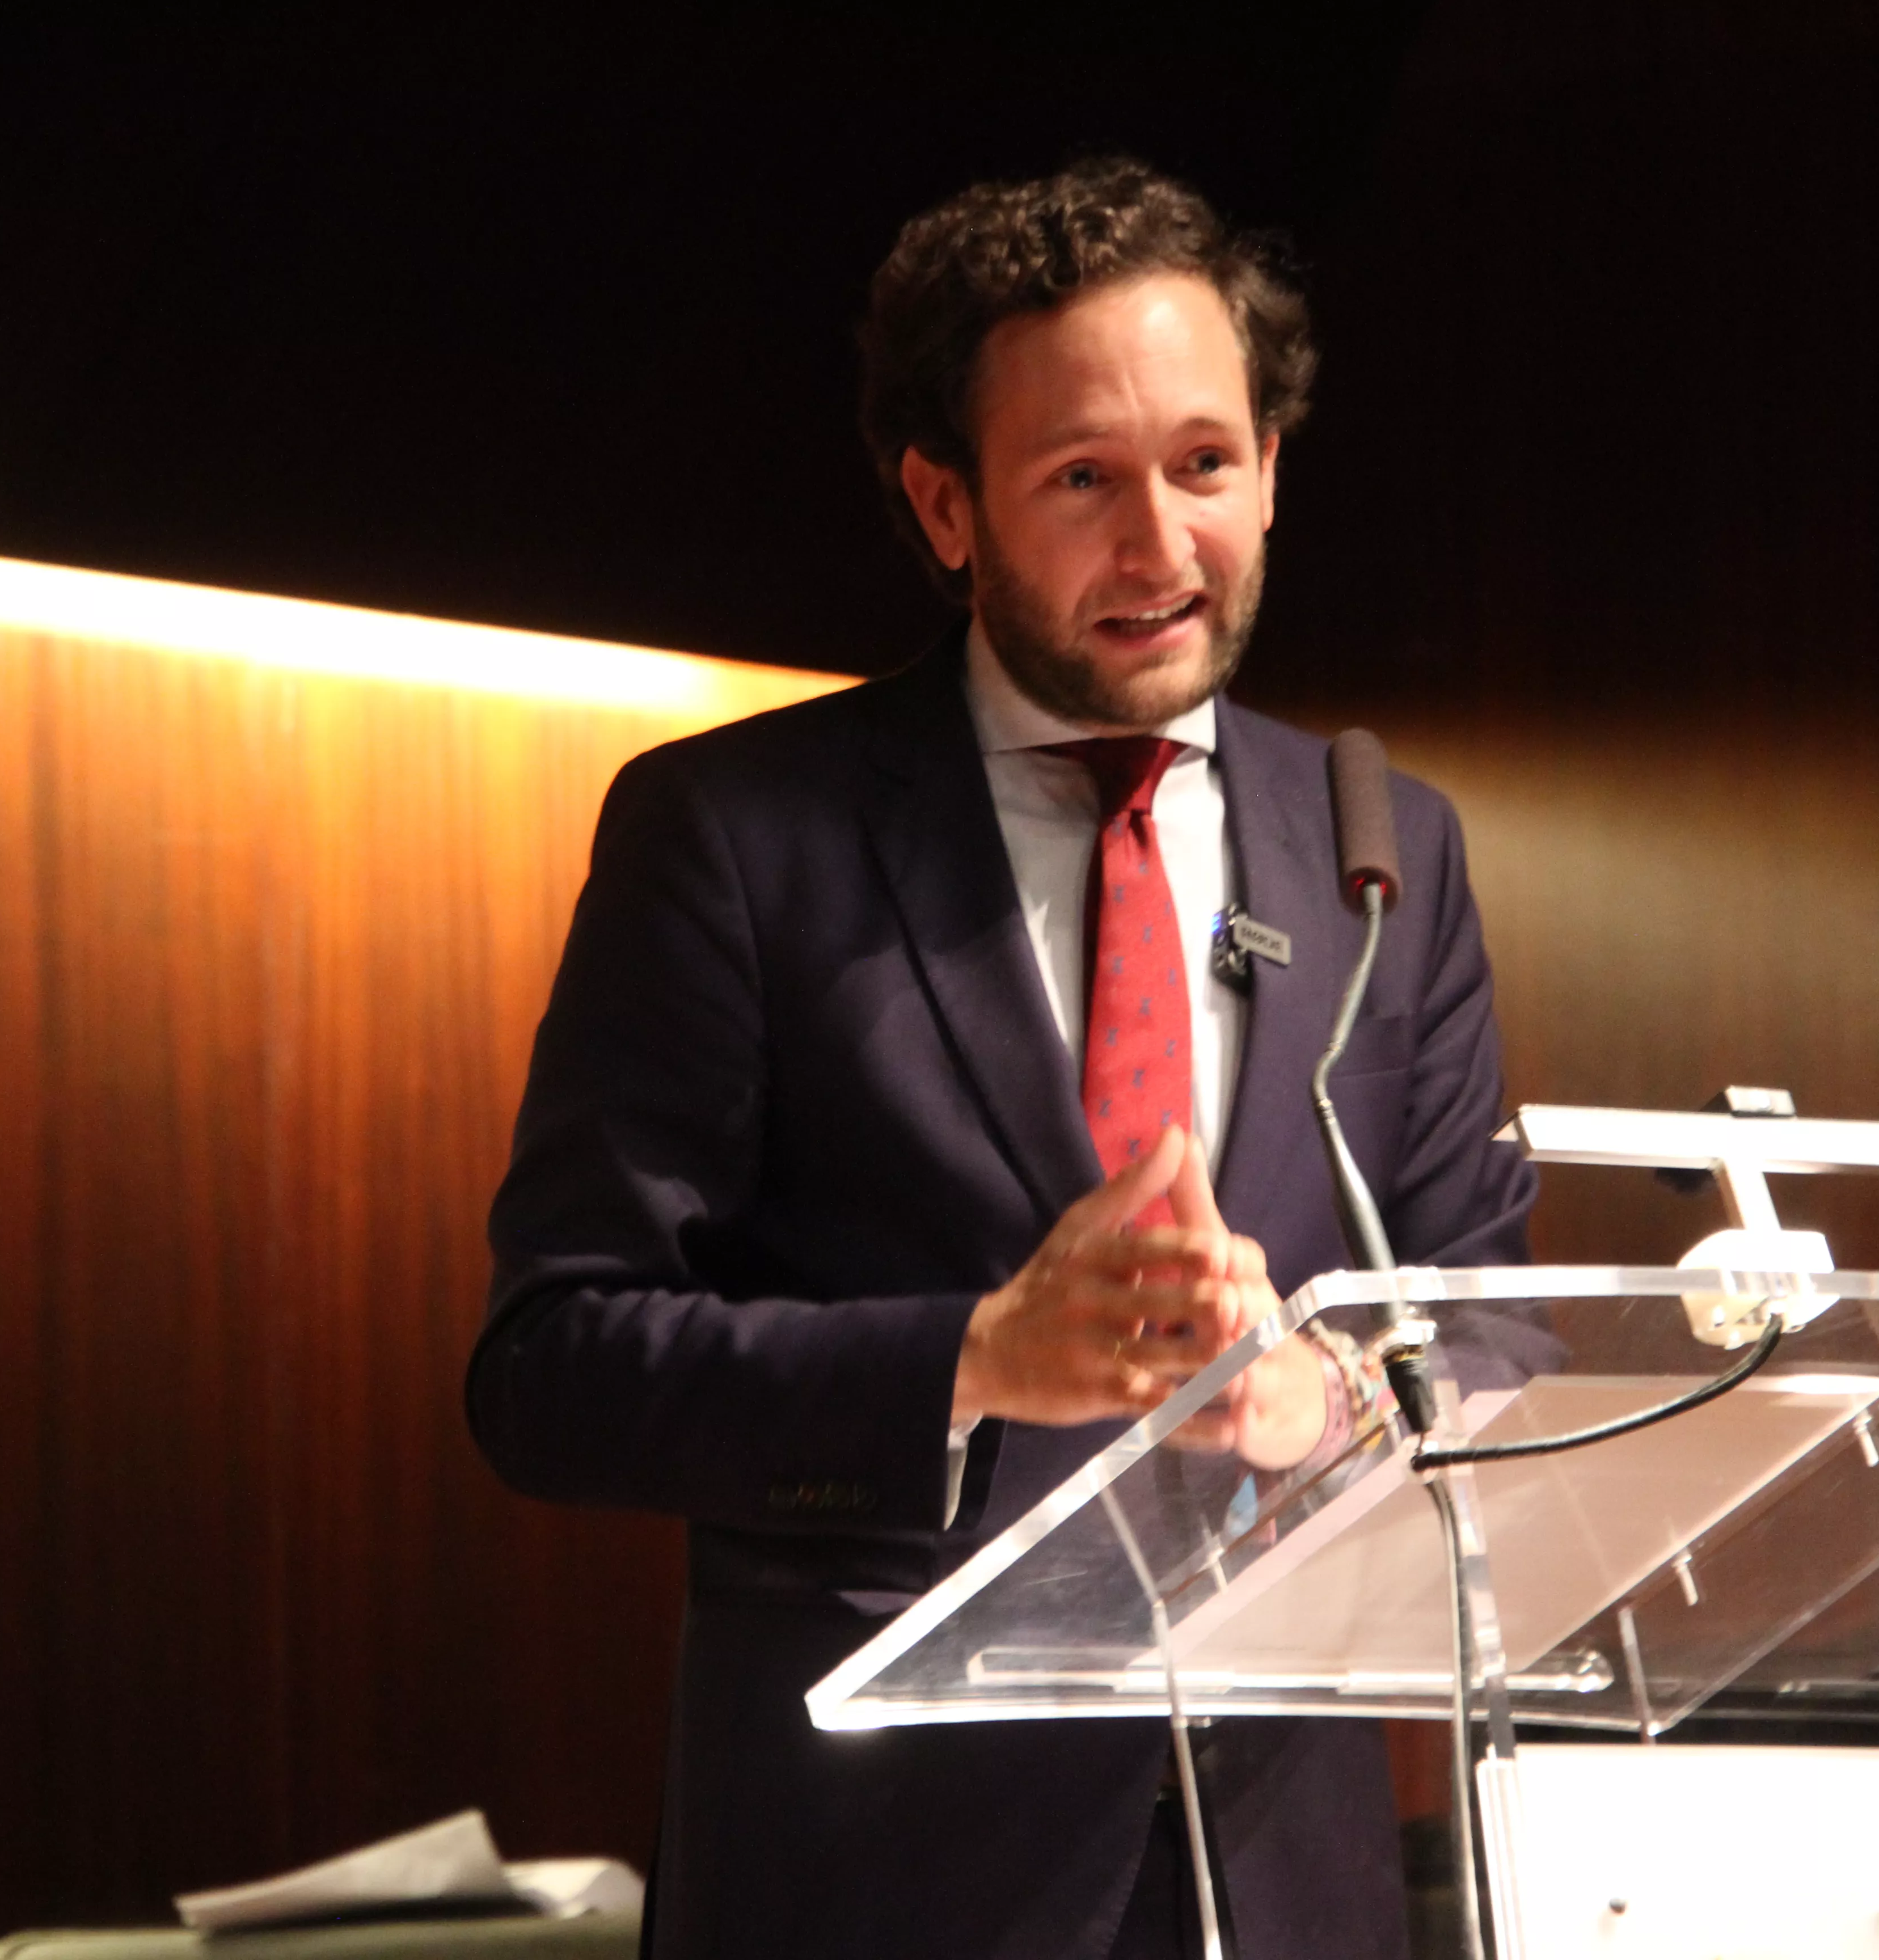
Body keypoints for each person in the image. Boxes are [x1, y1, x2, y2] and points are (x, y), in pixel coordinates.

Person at [468, 158, 1537, 1959]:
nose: (1161, 545)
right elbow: (554, 1367)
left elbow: (1499, 1323)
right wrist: (971, 1360)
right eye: (1080, 482)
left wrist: (1336, 1404)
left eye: (1207, 463)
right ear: (944, 505)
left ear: (1271, 469)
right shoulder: (735, 837)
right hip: (876, 1886)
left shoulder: (1384, 848)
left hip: (1280, 1886)